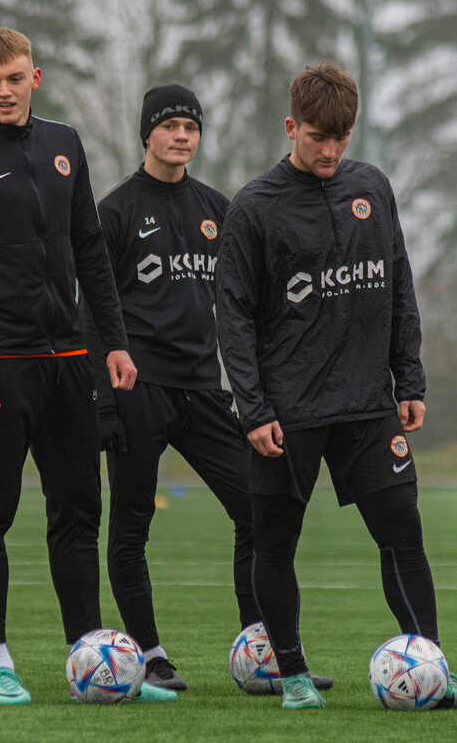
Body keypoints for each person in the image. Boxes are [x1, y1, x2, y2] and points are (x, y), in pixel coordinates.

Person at [216, 60, 457, 711]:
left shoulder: (372, 187)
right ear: (291, 127)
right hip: (288, 411)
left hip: (369, 405)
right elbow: (233, 319)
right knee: (275, 540)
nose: (331, 150)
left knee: (403, 533)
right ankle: (290, 675)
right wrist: (253, 409)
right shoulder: (255, 209)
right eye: (318, 137)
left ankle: (431, 668)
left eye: (342, 137)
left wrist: (411, 377)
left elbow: (398, 284)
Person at [0, 27, 172, 705]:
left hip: (71, 360)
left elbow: (90, 248)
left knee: (78, 516)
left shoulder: (65, 144)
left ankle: (93, 658)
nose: (4, 90)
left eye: (15, 78)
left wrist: (113, 343)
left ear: (36, 78)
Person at [83, 84, 332, 693]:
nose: (181, 136)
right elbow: (92, 311)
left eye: (190, 127)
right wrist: (103, 400)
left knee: (256, 512)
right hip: (140, 388)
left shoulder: (220, 208)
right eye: (169, 126)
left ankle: (261, 646)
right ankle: (150, 654)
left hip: (204, 388)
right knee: (132, 525)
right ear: (148, 134)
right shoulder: (115, 212)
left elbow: (250, 302)